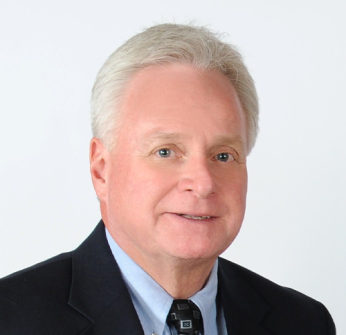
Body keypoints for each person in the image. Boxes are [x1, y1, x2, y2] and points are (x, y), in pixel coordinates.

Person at [0, 23, 335, 334]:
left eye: (223, 155)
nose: (202, 183)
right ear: (101, 169)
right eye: (165, 151)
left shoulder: (303, 322)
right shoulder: (12, 318)